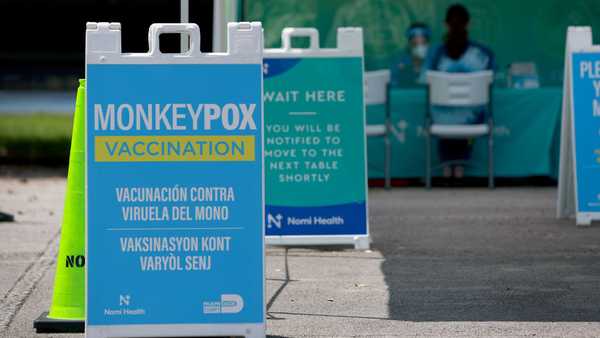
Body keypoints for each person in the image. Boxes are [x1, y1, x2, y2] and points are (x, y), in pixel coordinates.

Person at [426, 4, 495, 179]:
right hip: (473, 119)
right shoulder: (484, 53)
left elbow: (423, 80)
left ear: (445, 24)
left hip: (440, 120)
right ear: (469, 24)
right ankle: (460, 169)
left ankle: (447, 168)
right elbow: (494, 79)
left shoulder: (435, 54)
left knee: (443, 112)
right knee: (469, 113)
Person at [390, 23, 431, 87]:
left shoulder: (434, 62)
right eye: (415, 44)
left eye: (423, 43)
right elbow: (393, 84)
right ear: (409, 43)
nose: (420, 48)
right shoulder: (400, 63)